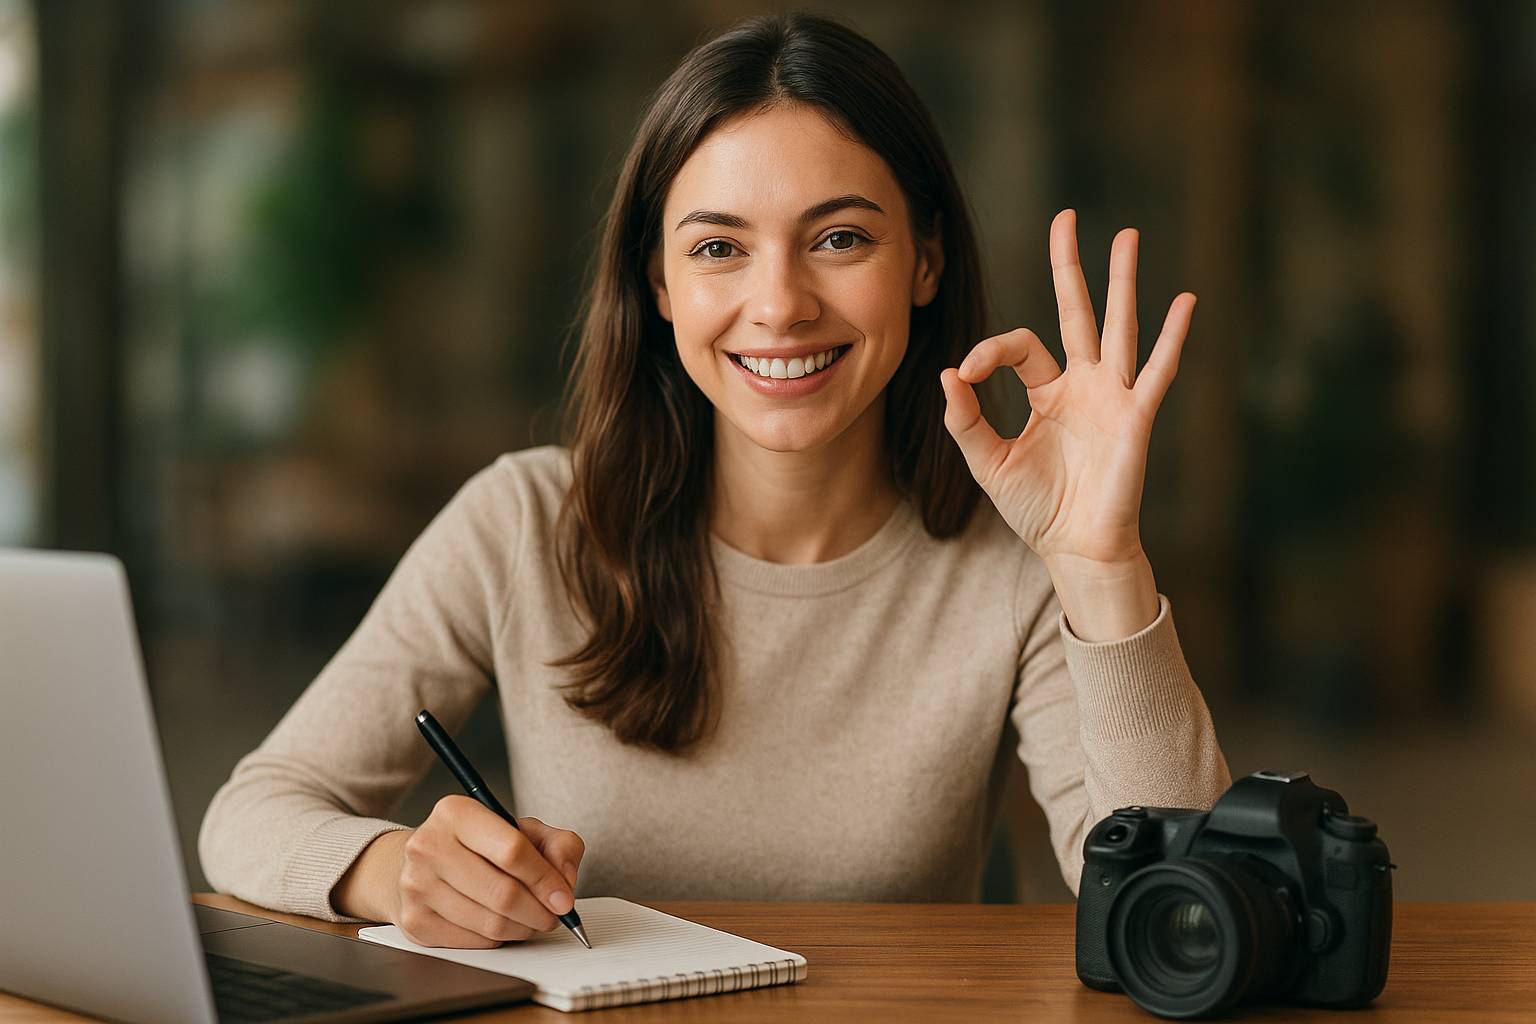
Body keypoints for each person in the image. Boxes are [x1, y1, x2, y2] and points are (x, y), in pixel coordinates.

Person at [199, 11, 1230, 950]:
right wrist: (391, 873)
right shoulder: (522, 523)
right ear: (658, 283)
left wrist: (1100, 566)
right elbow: (250, 816)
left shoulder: (1014, 562)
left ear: (924, 262)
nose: (778, 304)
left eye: (839, 239)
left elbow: (1189, 911)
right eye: (718, 247)